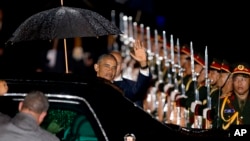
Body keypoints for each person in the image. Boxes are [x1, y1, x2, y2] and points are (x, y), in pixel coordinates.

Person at [110, 40, 152, 107]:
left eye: (116, 63)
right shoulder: (97, 84)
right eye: (108, 64)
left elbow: (137, 91)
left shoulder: (131, 86)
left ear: (122, 65)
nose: (112, 67)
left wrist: (143, 64)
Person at [218, 62, 250, 130]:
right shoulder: (223, 103)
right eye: (236, 79)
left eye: (243, 79)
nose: (239, 83)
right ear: (232, 81)